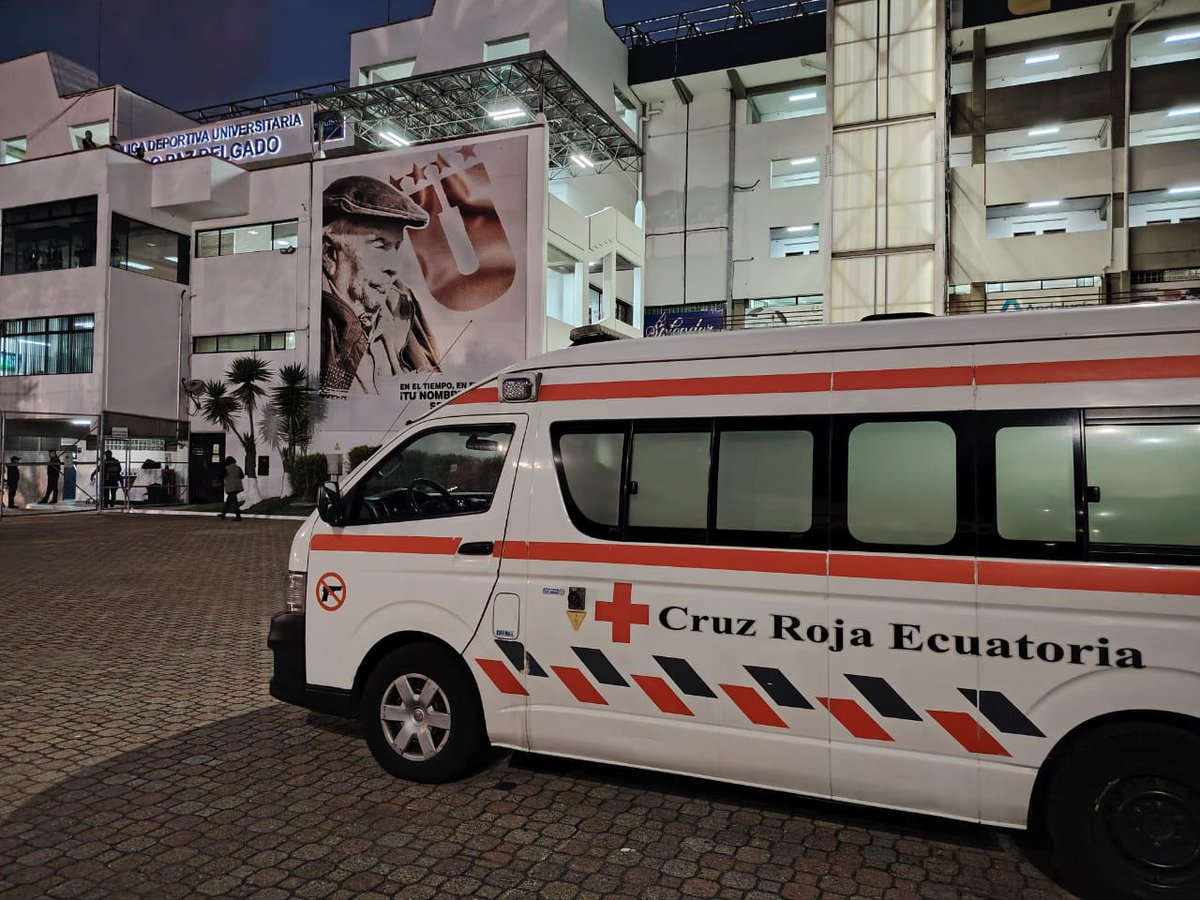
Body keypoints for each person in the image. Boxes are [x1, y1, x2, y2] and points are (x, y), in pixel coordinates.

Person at [320, 175, 440, 396]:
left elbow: (432, 377)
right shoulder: (316, 326)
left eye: (396, 247)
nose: (393, 268)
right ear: (329, 254)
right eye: (378, 245)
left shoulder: (401, 303)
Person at [220, 456, 244, 521]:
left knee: (234, 502)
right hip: (238, 486)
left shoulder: (226, 468)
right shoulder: (238, 468)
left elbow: (221, 476)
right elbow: (242, 476)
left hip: (230, 487)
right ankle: (223, 514)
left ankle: (238, 516)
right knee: (229, 500)